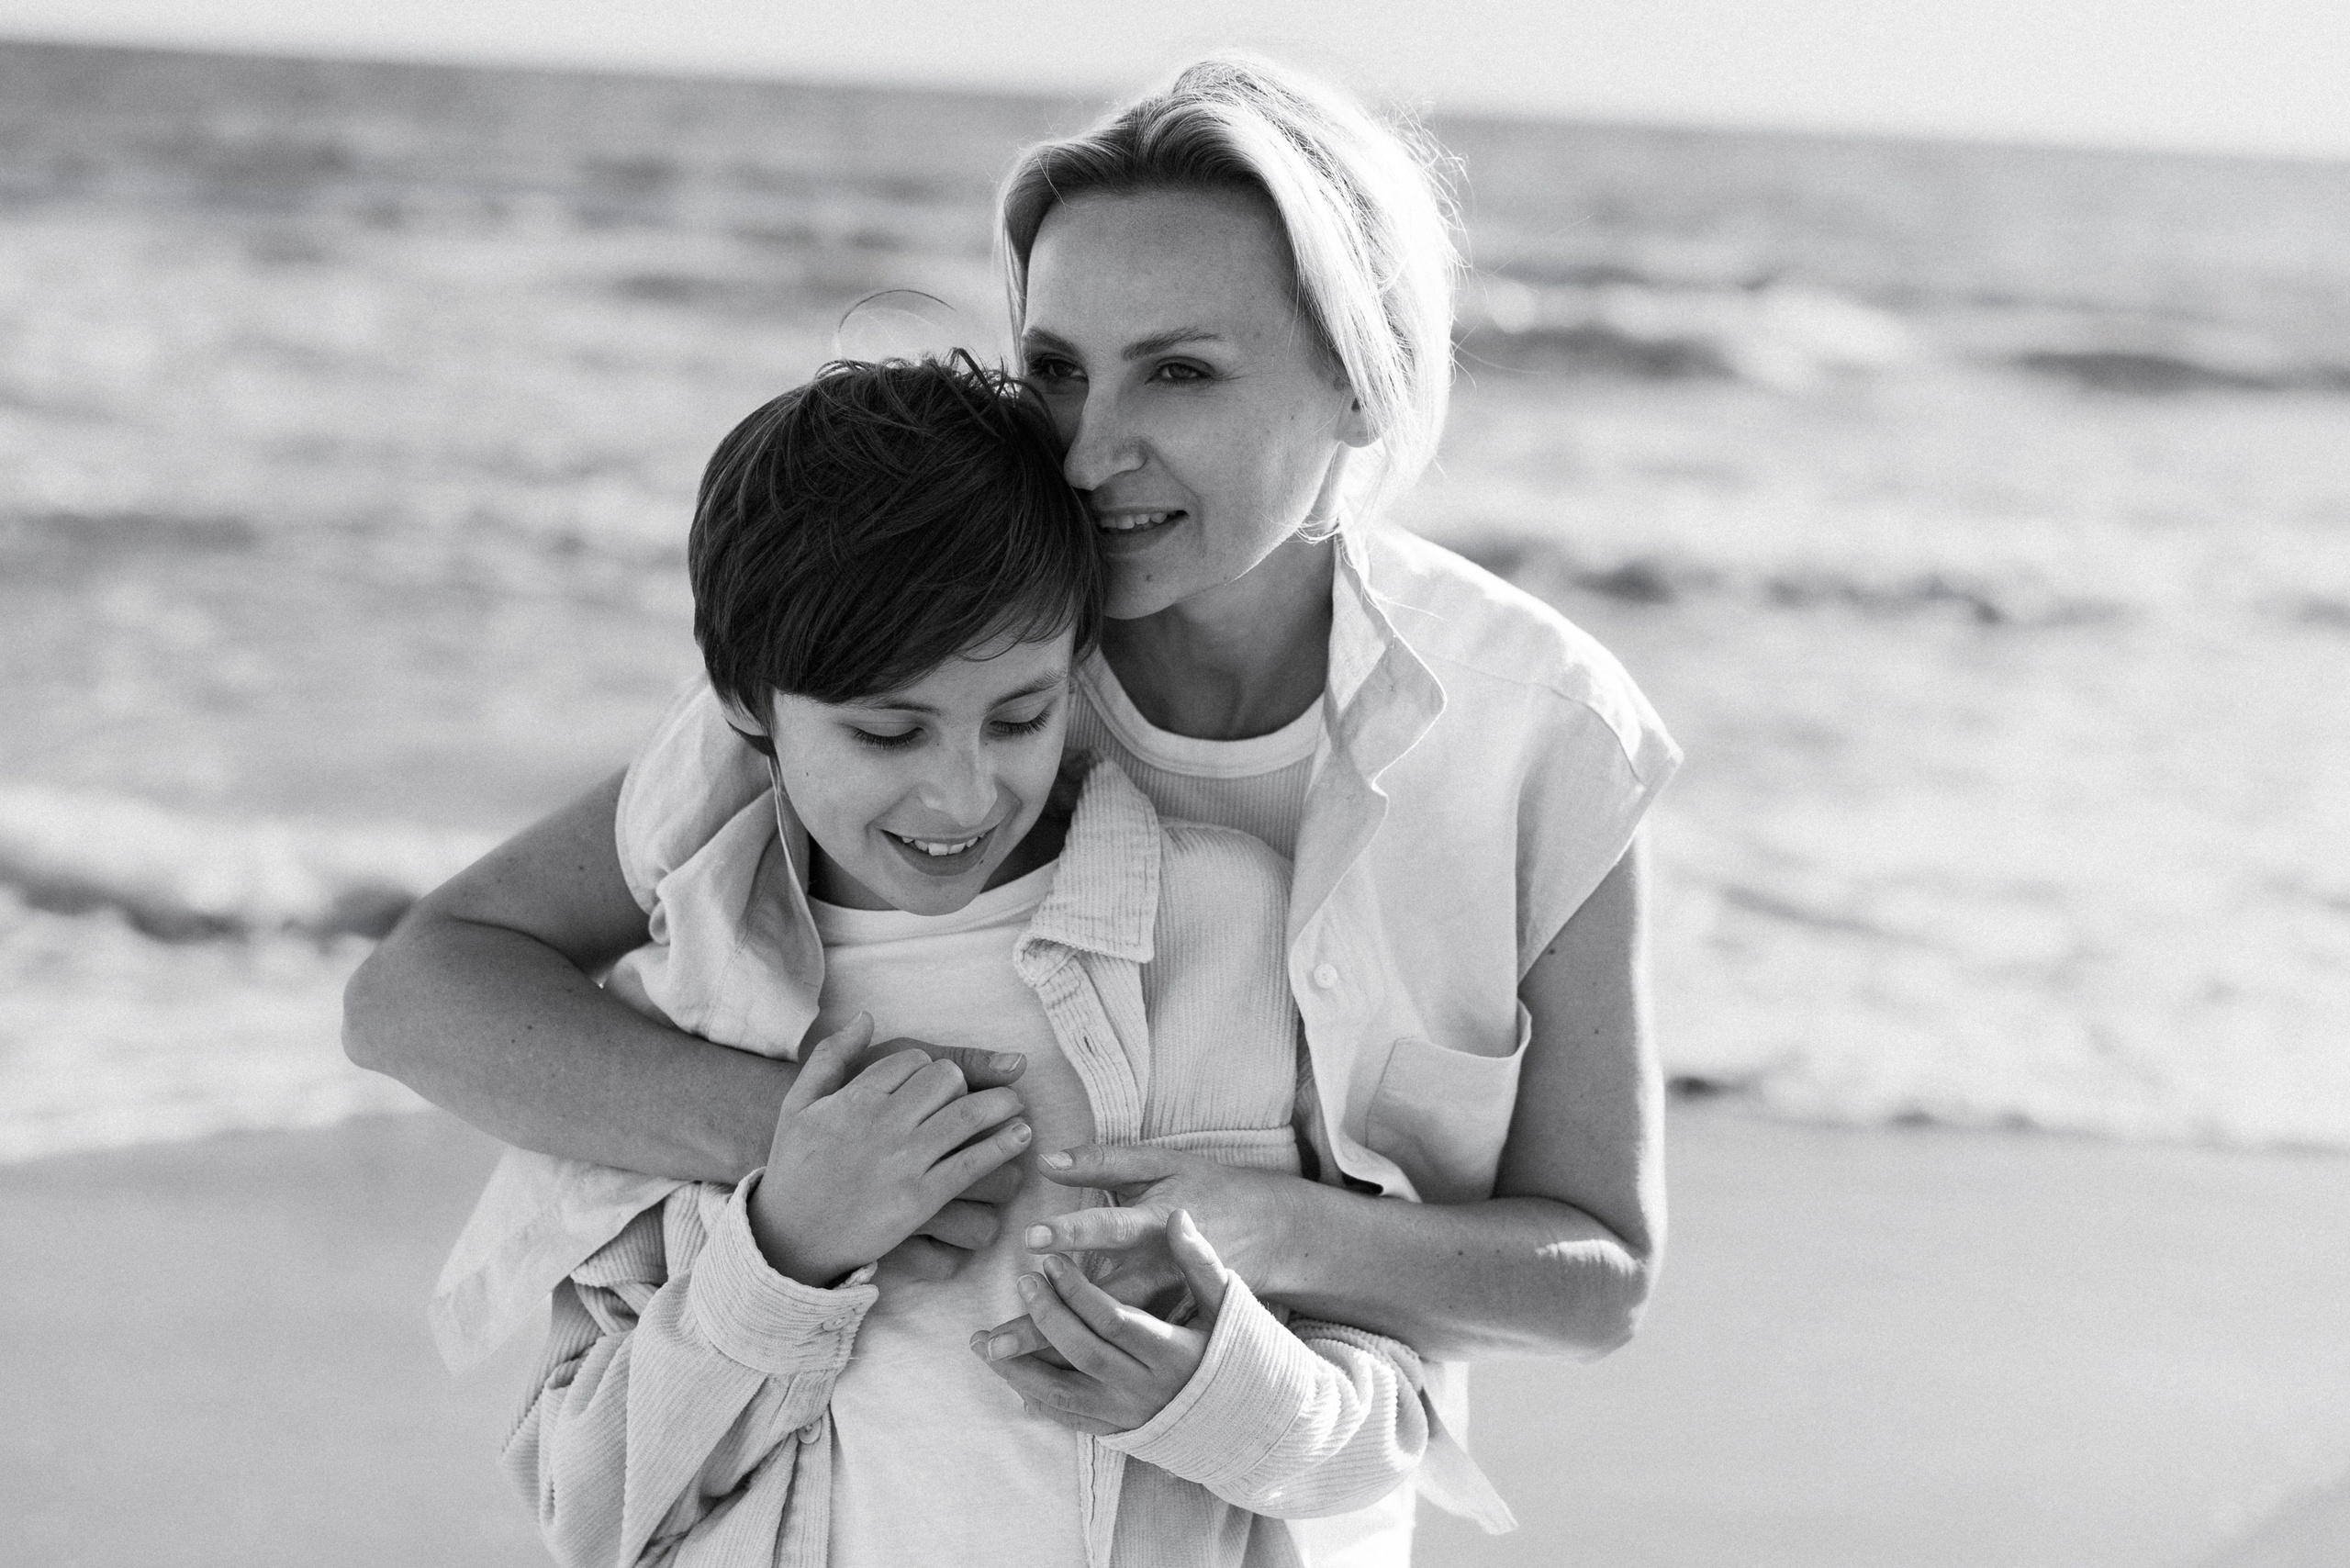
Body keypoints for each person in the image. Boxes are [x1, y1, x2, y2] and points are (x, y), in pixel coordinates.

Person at [347, 53, 1679, 1565]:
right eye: (1056, 368)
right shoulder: (941, 651)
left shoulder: (1542, 732)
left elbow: (1598, 1277)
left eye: (1180, 372)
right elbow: (420, 993)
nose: (1090, 451)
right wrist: (816, 1154)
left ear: (1360, 380)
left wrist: (1279, 1229)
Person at [449, 354, 1437, 1568]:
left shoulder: (1237, 931)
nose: (964, 794)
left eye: (1019, 716)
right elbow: (588, 1513)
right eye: (886, 732)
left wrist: (1209, 1396)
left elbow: (1390, 1430)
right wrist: (785, 1252)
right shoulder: (677, 1014)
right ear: (746, 702)